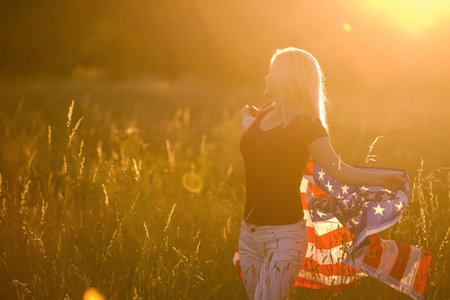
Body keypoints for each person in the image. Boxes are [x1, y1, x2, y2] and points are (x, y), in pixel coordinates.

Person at [238, 47, 405, 300]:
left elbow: (340, 171)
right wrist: (245, 120)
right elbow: (258, 142)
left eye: (272, 72)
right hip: (248, 235)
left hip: (282, 237)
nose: (267, 78)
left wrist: (383, 179)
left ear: (286, 77)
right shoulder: (265, 113)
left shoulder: (307, 124)